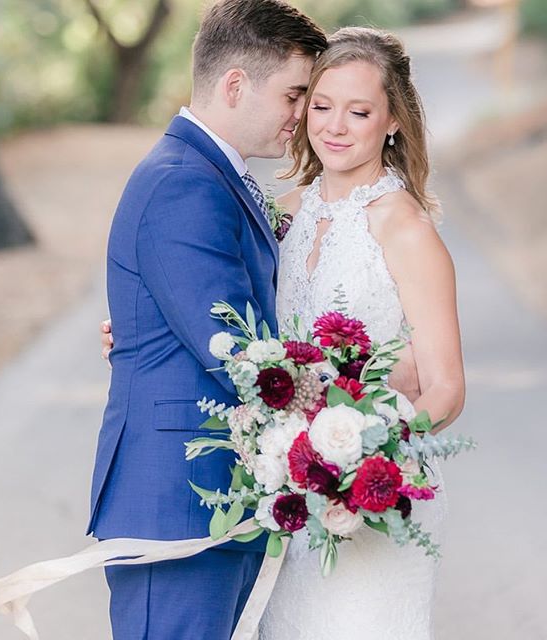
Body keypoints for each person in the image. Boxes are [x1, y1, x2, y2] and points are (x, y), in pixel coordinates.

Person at [100, 23, 464, 640]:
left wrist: (365, 456)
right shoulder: (286, 213)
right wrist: (143, 322)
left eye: (359, 111)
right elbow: (237, 324)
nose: (332, 125)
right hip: (288, 495)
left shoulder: (406, 228)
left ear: (394, 120)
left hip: (360, 491)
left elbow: (447, 387)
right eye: (317, 104)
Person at [89, 1, 326, 638]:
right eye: (294, 94)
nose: (302, 114)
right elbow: (238, 352)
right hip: (180, 500)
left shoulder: (213, 174)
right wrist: (348, 412)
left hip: (213, 497)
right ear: (235, 85)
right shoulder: (183, 183)